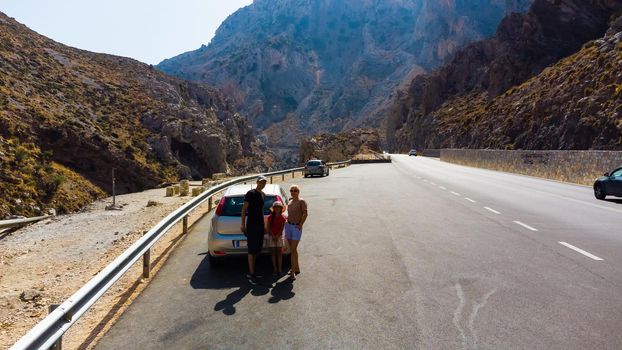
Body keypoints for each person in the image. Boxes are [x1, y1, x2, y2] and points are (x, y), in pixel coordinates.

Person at [241, 175, 268, 285]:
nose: (262, 184)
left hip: (260, 225)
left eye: (264, 182)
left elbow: (261, 211)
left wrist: (264, 225)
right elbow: (243, 210)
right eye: (261, 182)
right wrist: (243, 224)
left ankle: (253, 272)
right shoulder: (250, 193)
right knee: (251, 250)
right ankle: (251, 274)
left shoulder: (263, 194)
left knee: (257, 248)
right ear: (257, 182)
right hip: (251, 225)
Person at [284, 184, 307, 280]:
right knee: (293, 250)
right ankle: (296, 268)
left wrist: (300, 224)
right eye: (292, 190)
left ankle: (292, 271)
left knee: (293, 249)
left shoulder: (302, 201)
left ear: (298, 192)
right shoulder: (290, 201)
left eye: (295, 190)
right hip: (288, 226)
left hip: (296, 227)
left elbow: (305, 214)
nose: (293, 192)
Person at [265, 201, 286, 276]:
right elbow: (268, 228)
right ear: (273, 209)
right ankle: (275, 269)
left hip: (279, 237)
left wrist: (277, 236)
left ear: (281, 209)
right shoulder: (270, 217)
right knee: (273, 253)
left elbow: (281, 228)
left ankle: (280, 269)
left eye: (279, 207)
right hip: (272, 237)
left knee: (279, 253)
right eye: (276, 207)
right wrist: (273, 236)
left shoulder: (282, 217)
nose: (277, 209)